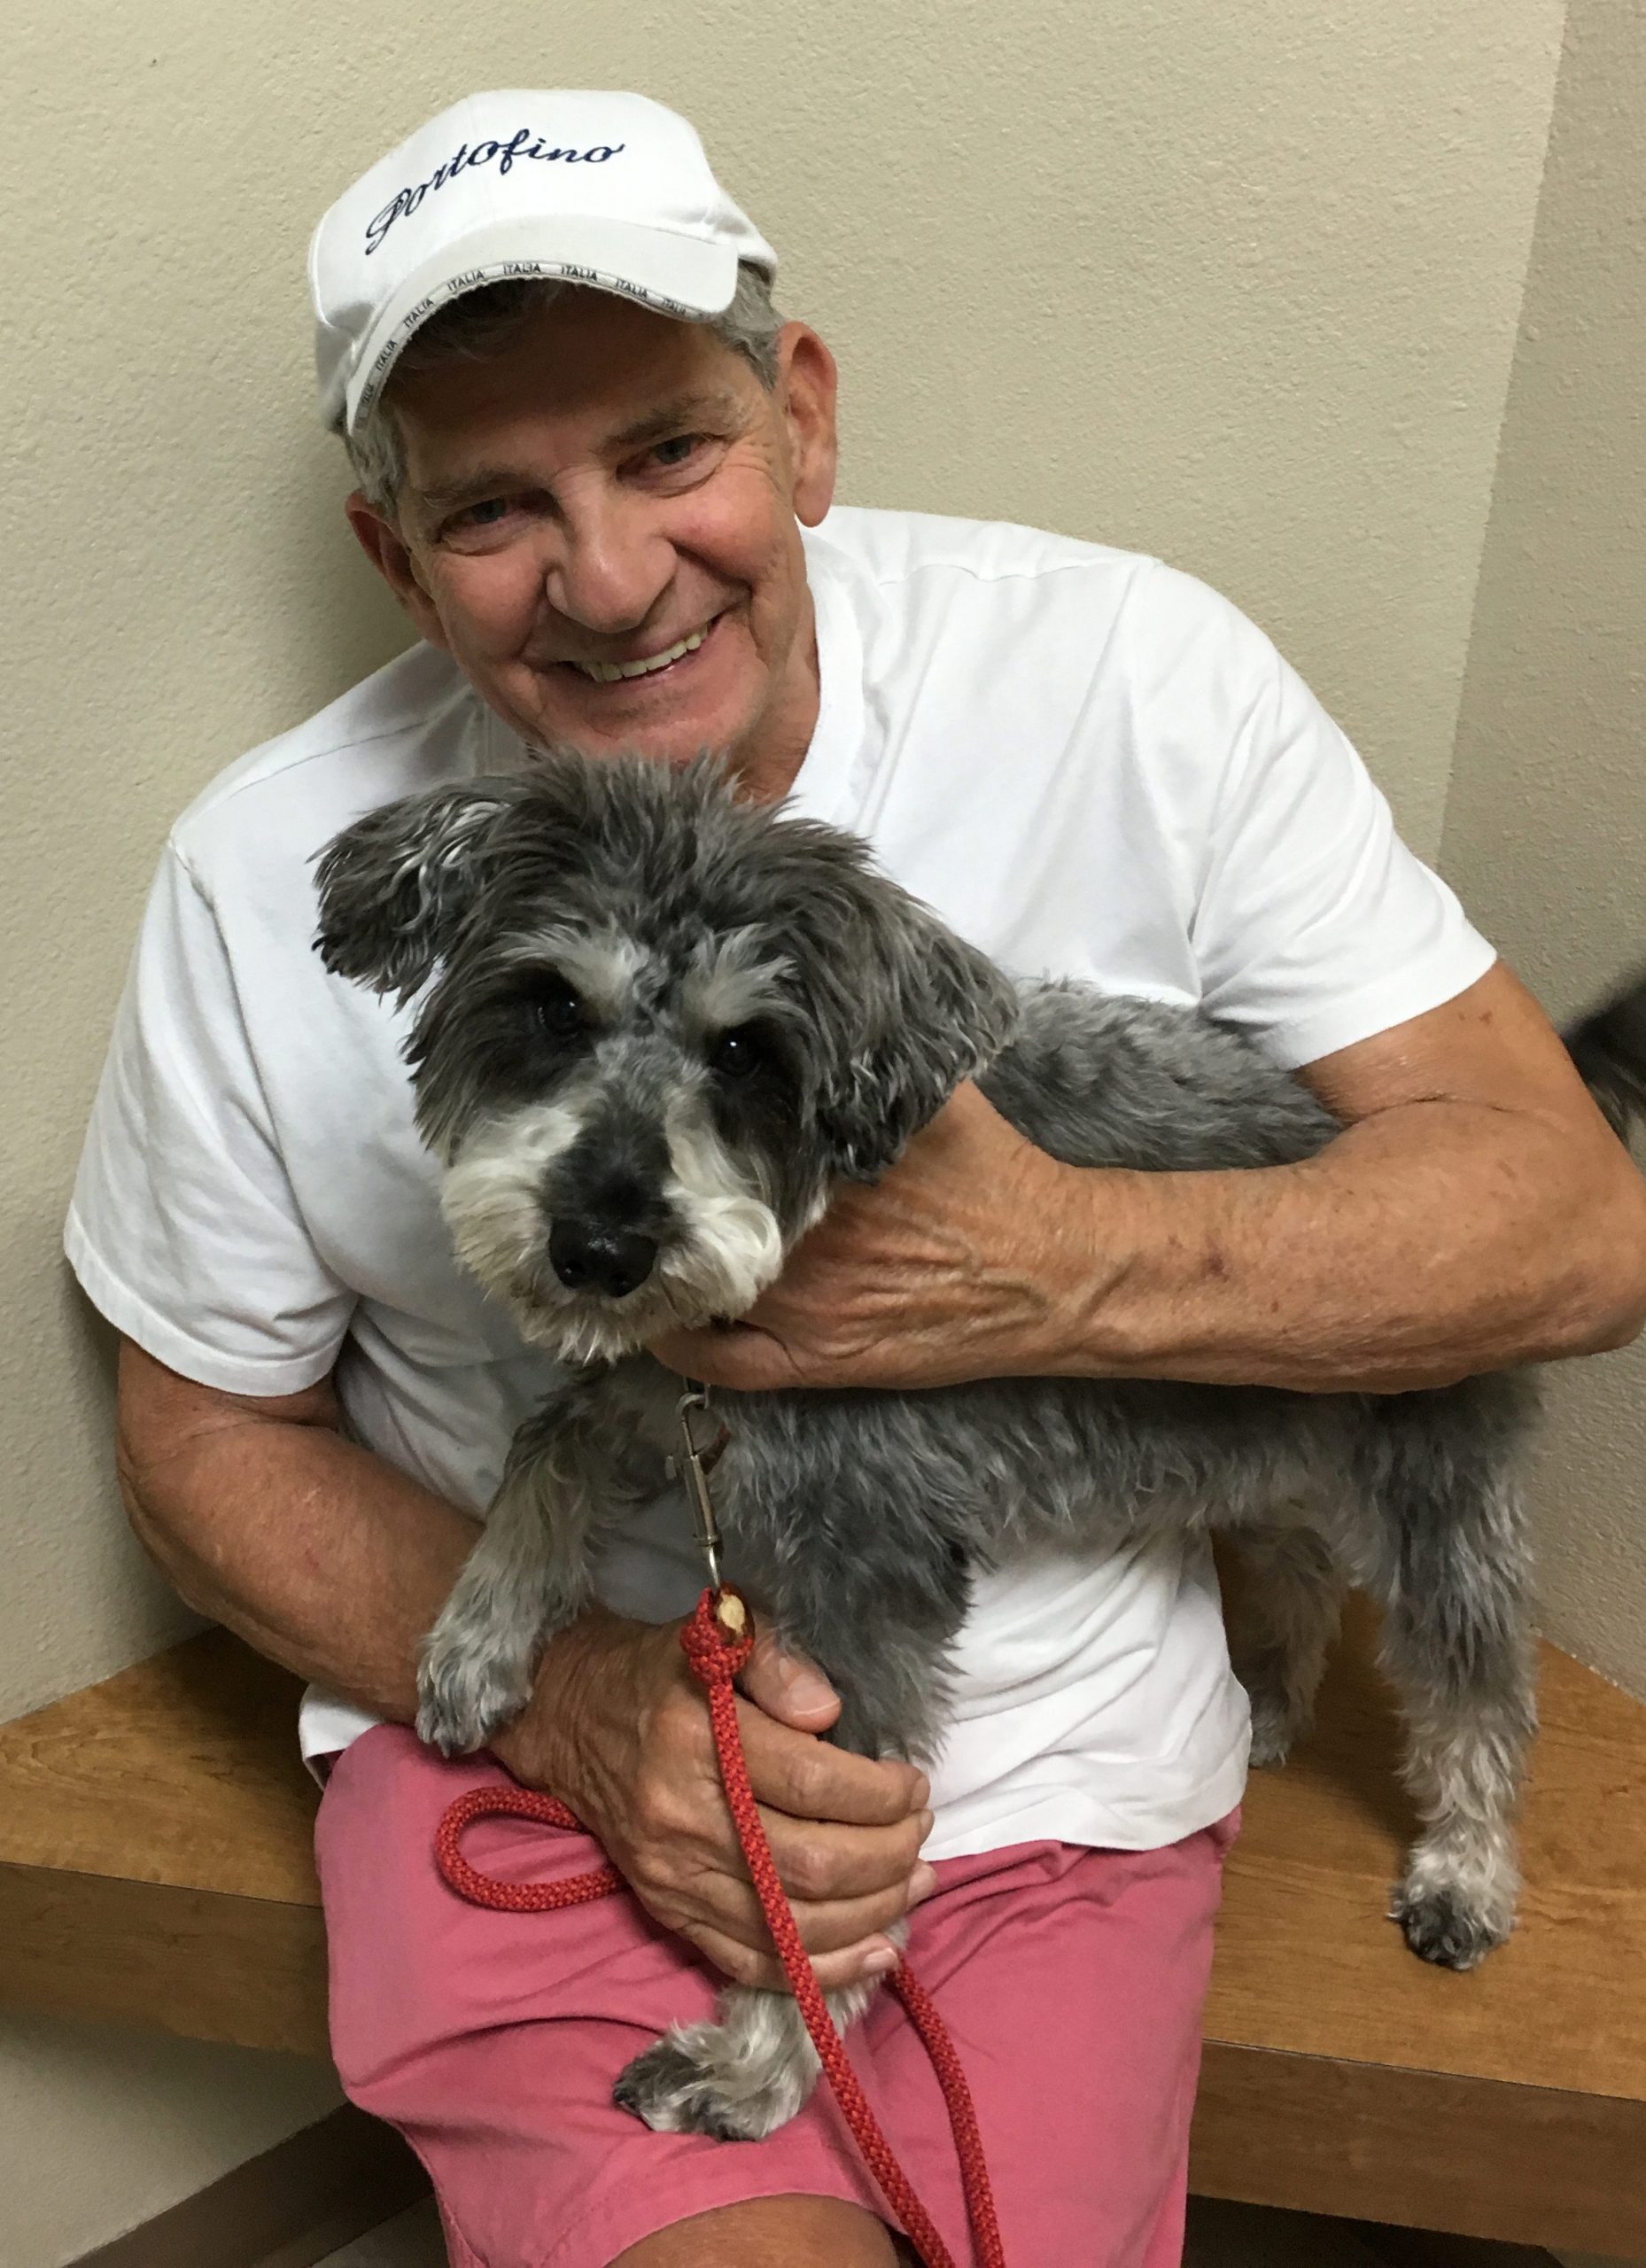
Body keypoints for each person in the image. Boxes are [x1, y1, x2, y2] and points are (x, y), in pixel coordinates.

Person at [73, 89, 1646, 2268]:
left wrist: (1048, 1268)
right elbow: (194, 1429)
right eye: (496, 507)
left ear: (797, 418)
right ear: (394, 552)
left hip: (1069, 1769)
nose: (608, 576)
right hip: (563, 1755)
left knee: (1389, 1525)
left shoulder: (1131, 675)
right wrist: (567, 1700)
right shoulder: (264, 869)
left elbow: (1568, 1225)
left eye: (666, 449)